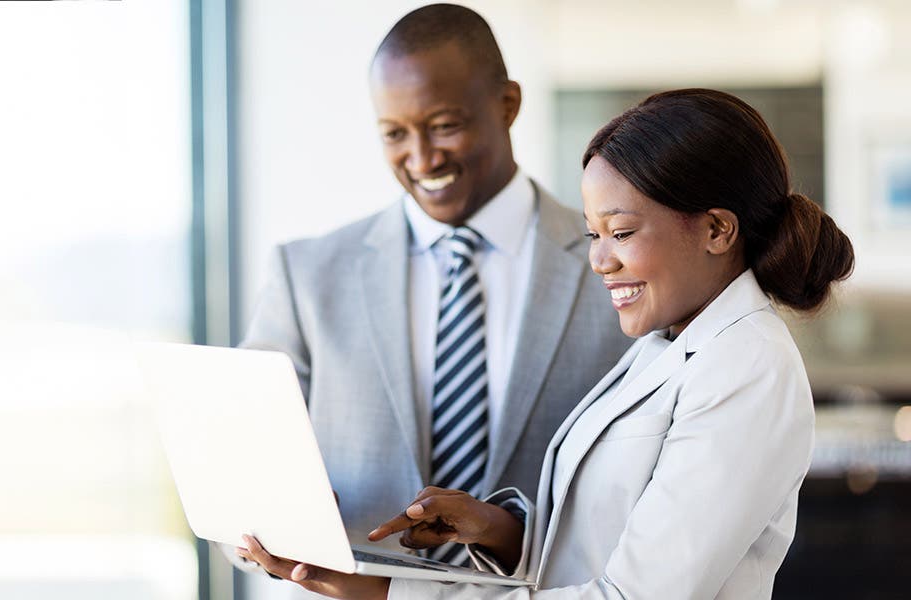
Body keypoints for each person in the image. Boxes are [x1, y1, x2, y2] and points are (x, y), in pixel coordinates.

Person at [238, 88, 855, 599]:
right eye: (592, 234)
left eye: (620, 231)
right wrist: (502, 530)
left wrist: (389, 593)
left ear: (718, 229)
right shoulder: (667, 345)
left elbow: (630, 595)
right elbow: (602, 537)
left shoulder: (748, 364)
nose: (599, 261)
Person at [226, 4, 628, 591]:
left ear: (507, 105)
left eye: (444, 125)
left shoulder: (613, 265)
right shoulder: (308, 275)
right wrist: (271, 522)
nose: (421, 158)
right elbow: (239, 467)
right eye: (394, 133)